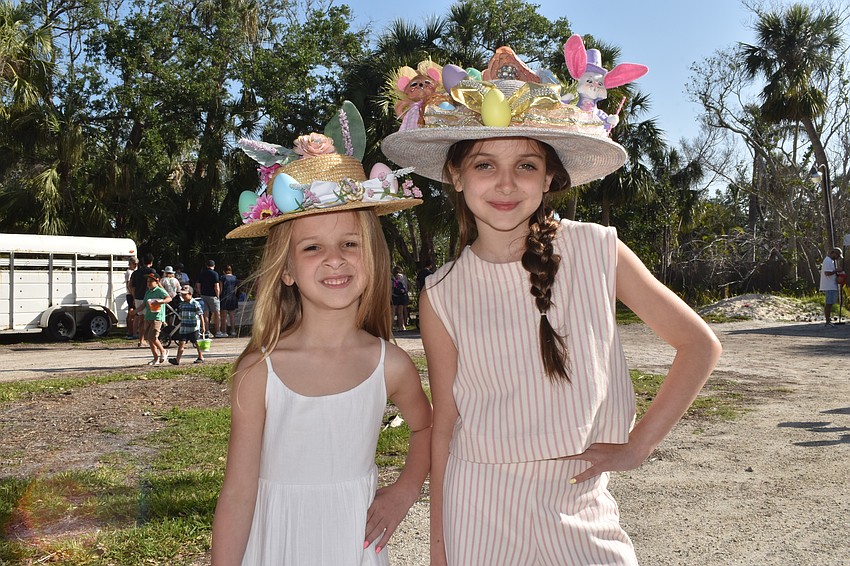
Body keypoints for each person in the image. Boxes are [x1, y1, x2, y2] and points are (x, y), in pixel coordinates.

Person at [382, 45, 722, 565]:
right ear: (455, 175)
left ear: (549, 179)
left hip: (578, 502)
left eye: (526, 165)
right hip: (480, 508)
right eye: (484, 164)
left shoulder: (597, 249)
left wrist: (638, 445)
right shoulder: (442, 290)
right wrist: (440, 546)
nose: (505, 183)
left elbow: (699, 344)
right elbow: (446, 420)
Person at [211, 117, 429, 565]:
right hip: (275, 546)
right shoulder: (259, 369)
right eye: (312, 248)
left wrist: (405, 489)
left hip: (354, 547)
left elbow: (428, 426)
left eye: (350, 243)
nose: (334, 259)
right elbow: (236, 493)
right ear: (286, 269)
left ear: (372, 258)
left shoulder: (390, 364)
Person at [169, 285, 207, 365]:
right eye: (182, 294)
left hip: (193, 328)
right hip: (184, 327)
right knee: (181, 343)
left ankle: (201, 356)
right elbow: (181, 315)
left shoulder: (195, 303)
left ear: (190, 294)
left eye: (185, 294)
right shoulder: (182, 304)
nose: (183, 296)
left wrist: (203, 326)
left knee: (196, 343)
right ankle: (177, 359)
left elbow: (200, 315)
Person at [142, 273, 171, 365]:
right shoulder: (147, 292)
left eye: (151, 281)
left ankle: (163, 351)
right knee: (149, 339)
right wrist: (135, 311)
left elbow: (169, 298)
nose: (149, 283)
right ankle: (155, 358)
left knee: (153, 337)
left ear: (157, 281)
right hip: (149, 317)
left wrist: (160, 302)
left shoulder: (159, 291)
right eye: (147, 281)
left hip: (157, 317)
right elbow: (144, 304)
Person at [129, 253, 157, 347]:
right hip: (149, 297)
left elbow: (131, 286)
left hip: (138, 298)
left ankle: (141, 340)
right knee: (149, 319)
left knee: (141, 319)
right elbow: (156, 283)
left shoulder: (135, 273)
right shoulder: (151, 271)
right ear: (151, 262)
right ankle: (148, 339)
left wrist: (134, 296)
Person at [196, 259, 225, 338]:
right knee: (217, 314)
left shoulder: (202, 273)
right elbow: (216, 286)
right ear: (214, 266)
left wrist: (200, 292)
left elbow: (198, 284)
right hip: (213, 296)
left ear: (206, 265)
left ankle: (207, 331)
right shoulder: (215, 274)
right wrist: (218, 295)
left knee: (205, 314)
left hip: (203, 295)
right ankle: (218, 331)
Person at [819, 247, 844, 325]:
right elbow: (827, 273)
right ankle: (827, 321)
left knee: (830, 303)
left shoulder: (831, 261)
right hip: (829, 285)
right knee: (829, 303)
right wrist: (836, 270)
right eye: (837, 256)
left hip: (831, 285)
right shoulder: (828, 261)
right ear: (833, 253)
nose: (838, 258)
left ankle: (828, 319)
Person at [220, 265, 239, 337]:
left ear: (224, 271)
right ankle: (233, 331)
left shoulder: (222, 277)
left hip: (224, 297)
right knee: (232, 315)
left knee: (223, 316)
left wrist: (219, 296)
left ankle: (224, 331)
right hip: (232, 297)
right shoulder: (234, 278)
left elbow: (221, 288)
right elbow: (236, 289)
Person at [391, 266, 409, 331]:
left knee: (393, 312)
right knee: (400, 312)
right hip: (402, 295)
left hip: (395, 296)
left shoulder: (393, 278)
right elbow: (406, 286)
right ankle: (401, 326)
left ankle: (390, 327)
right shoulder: (404, 277)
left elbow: (392, 287)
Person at [124, 256, 138, 339]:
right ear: (130, 264)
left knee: (132, 312)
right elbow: (129, 285)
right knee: (131, 313)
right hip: (131, 294)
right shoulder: (129, 272)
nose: (135, 265)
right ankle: (130, 331)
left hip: (132, 294)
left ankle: (130, 331)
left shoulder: (134, 271)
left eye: (136, 264)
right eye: (134, 264)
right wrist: (133, 296)